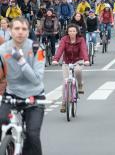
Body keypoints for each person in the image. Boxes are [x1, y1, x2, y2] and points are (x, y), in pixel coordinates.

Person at [0, 17, 46, 155]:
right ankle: (8, 146)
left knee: (32, 135)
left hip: (34, 96)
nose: (20, 32)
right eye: (17, 28)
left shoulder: (37, 48)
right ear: (10, 30)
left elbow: (36, 79)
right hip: (11, 94)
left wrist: (21, 60)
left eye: (24, 29)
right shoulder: (2, 50)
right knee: (2, 122)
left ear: (28, 31)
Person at [53, 24, 90, 112]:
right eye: (70, 31)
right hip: (67, 62)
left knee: (77, 71)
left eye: (73, 31)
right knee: (65, 82)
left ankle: (80, 84)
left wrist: (86, 60)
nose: (72, 33)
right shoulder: (64, 39)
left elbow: (84, 49)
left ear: (77, 32)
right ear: (67, 32)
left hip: (78, 60)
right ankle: (63, 104)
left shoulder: (81, 39)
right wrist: (56, 59)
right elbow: (60, 49)